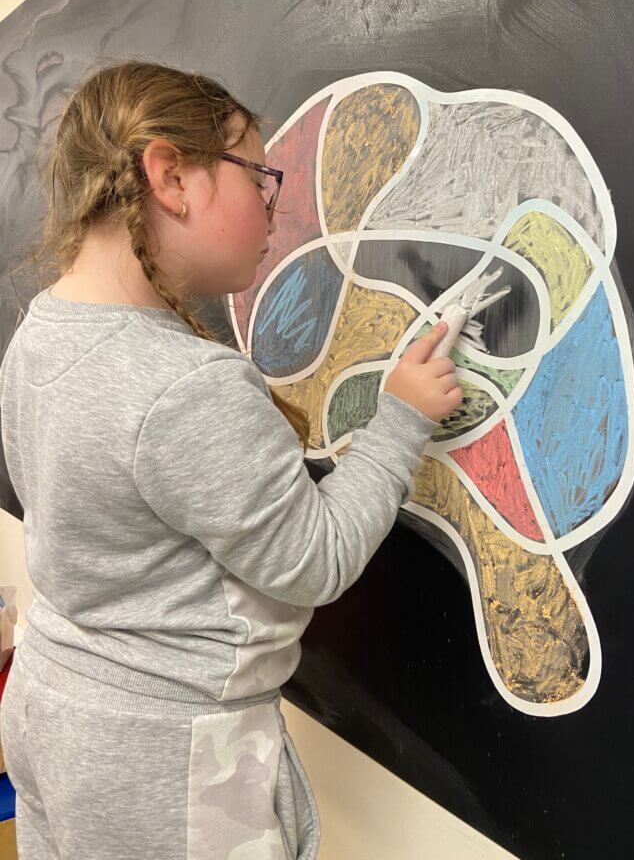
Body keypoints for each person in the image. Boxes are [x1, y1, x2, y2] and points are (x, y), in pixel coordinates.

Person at [0, 60, 461, 859]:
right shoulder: (186, 387)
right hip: (162, 766)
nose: (277, 215)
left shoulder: (39, 330)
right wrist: (400, 419)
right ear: (171, 177)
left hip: (53, 708)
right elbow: (316, 557)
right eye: (260, 179)